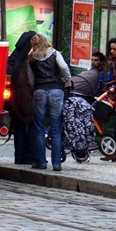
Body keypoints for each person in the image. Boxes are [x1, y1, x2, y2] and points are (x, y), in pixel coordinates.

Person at [29, 33, 71, 171]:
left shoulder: (32, 57)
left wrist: (35, 86)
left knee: (39, 128)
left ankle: (41, 162)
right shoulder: (54, 53)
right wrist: (67, 80)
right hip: (56, 91)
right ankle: (57, 163)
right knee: (56, 128)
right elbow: (63, 67)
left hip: (40, 91)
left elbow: (30, 78)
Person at [6, 30, 37, 165]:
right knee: (31, 126)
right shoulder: (27, 61)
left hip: (13, 101)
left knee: (18, 128)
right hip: (26, 99)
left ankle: (19, 157)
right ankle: (29, 157)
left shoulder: (13, 58)